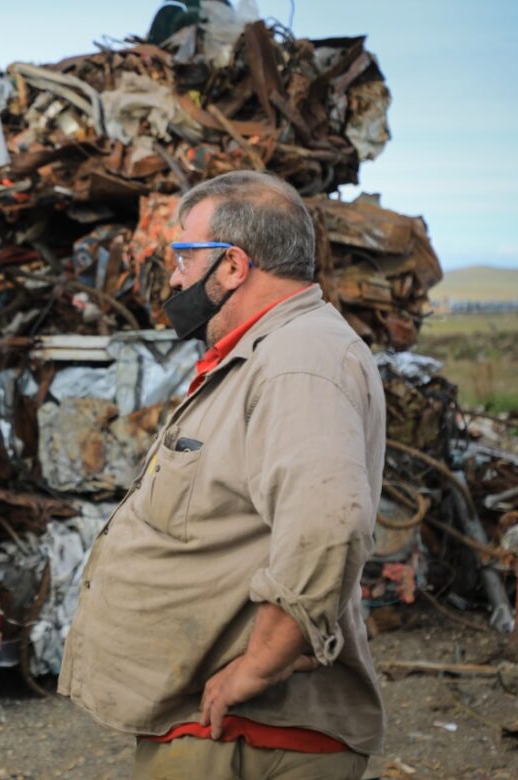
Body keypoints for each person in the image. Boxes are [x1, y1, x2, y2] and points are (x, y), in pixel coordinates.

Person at [60, 170, 386, 779]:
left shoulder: (298, 362)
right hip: (218, 728)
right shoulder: (267, 352)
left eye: (185, 254)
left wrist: (258, 665)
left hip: (248, 735)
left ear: (233, 266)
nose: (176, 275)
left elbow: (329, 521)